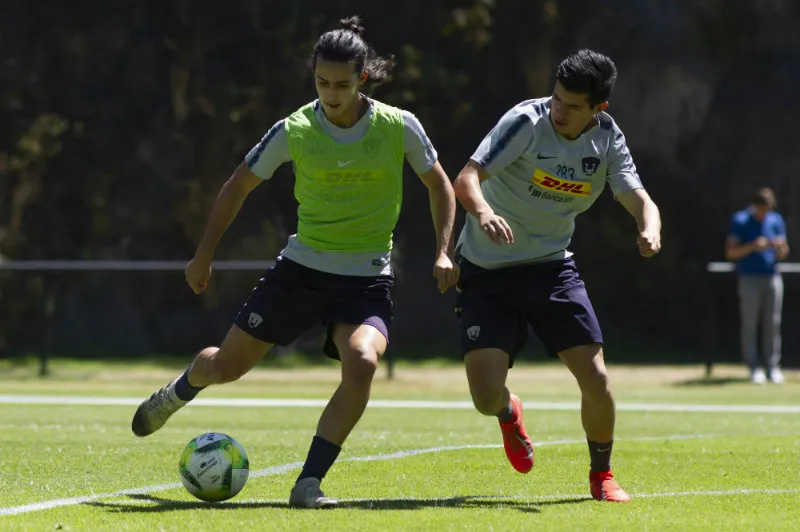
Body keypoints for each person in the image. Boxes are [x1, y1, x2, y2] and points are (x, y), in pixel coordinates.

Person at [130, 16, 458, 509]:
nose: (331, 92)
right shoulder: (295, 128)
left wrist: (442, 250)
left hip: (365, 278)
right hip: (299, 273)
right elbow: (237, 185)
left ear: (362, 78)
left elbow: (440, 184)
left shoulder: (398, 126)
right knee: (226, 367)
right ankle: (180, 389)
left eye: (342, 84)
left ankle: (308, 482)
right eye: (322, 82)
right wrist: (204, 253)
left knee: (364, 361)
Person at [452, 49, 661, 503]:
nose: (558, 111)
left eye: (572, 106)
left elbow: (641, 199)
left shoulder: (606, 138)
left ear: (598, 109)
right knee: (485, 397)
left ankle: (601, 476)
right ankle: (510, 413)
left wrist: (649, 228)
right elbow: (466, 178)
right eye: (557, 98)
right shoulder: (526, 121)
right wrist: (484, 211)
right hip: (488, 271)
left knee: (596, 377)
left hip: (551, 268)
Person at [725, 187, 789, 384]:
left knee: (773, 323)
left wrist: (779, 247)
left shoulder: (776, 220)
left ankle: (772, 367)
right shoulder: (740, 220)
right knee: (750, 323)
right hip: (749, 278)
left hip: (772, 277)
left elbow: (784, 253)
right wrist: (752, 246)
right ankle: (753, 367)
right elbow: (730, 253)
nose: (765, 214)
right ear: (755, 206)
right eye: (763, 209)